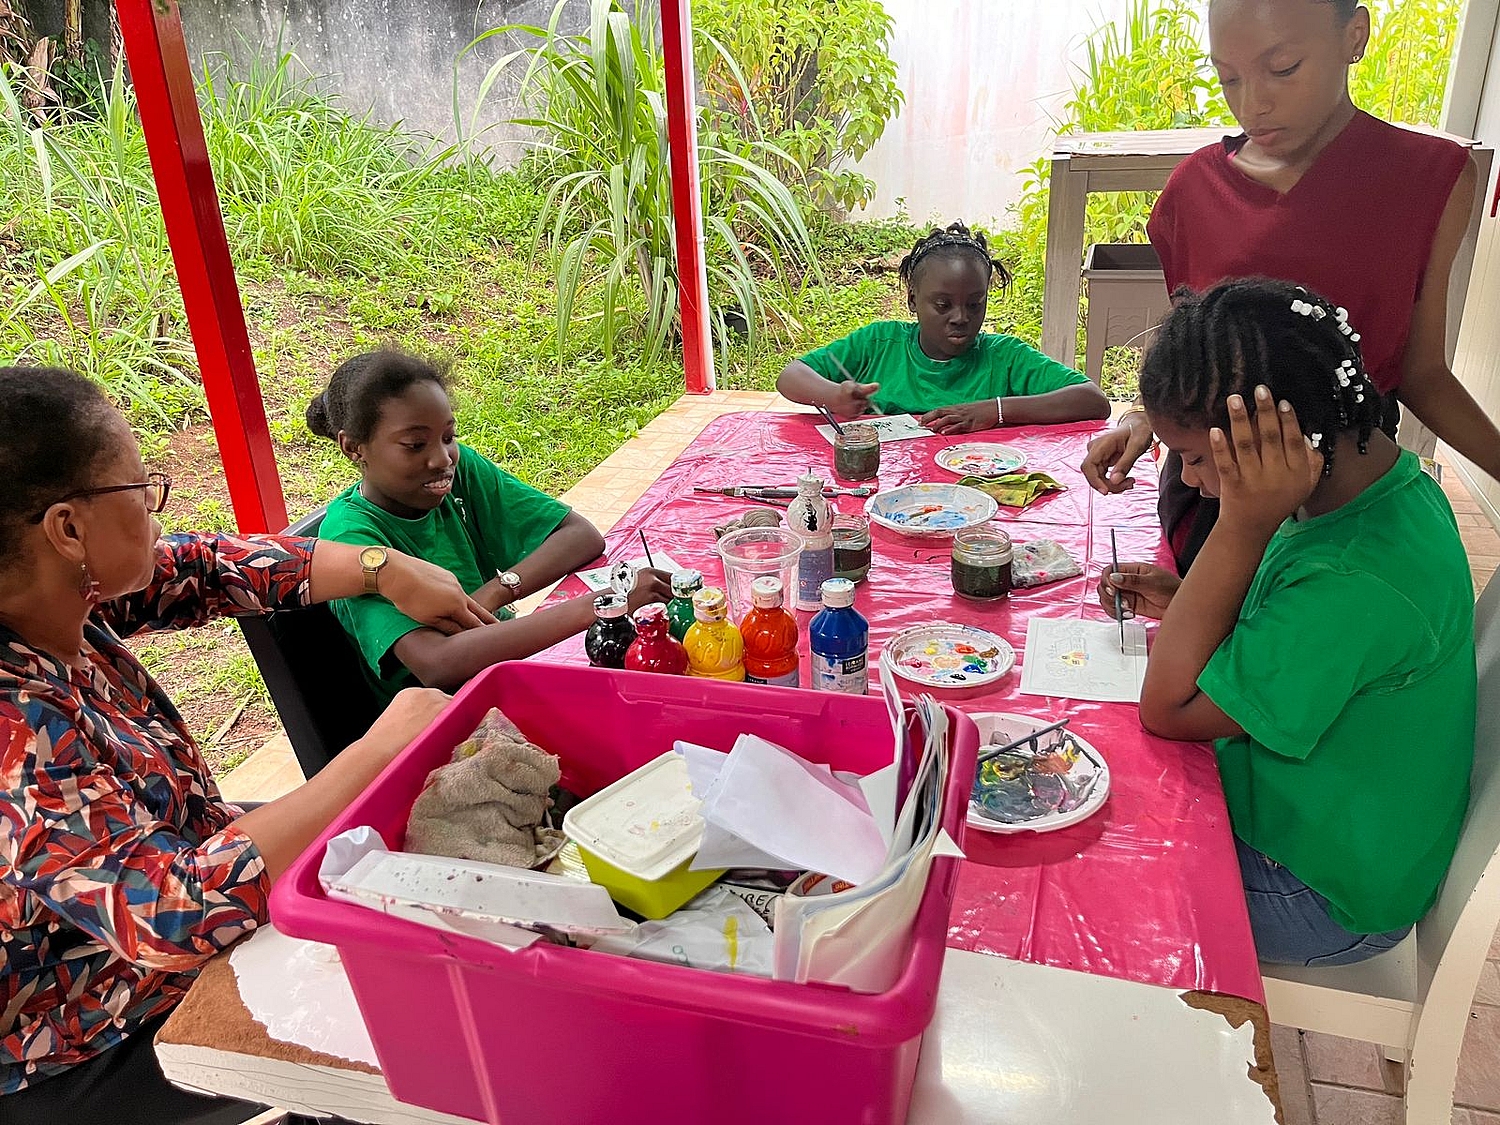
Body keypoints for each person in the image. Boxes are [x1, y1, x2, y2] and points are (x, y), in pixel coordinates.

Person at [0, 366, 495, 1123]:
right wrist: (376, 750)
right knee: (413, 1020)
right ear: (68, 530)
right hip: (92, 1028)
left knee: (393, 864)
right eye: (139, 489)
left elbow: (203, 569)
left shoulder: (52, 601)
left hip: (188, 857)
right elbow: (169, 912)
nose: (158, 510)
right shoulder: (14, 727)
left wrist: (382, 566)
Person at [1099, 279, 1475, 966]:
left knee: (1096, 860)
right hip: (1322, 820)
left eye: (1193, 458)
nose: (1191, 481)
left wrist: (1241, 524)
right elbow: (1301, 628)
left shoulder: (1354, 577)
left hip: (1319, 891)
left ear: (1274, 440)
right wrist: (1188, 598)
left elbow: (1168, 708)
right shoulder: (1385, 488)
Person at [1081, 0, 1500, 573]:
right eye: (1229, 77)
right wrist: (1143, 416)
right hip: (1217, 491)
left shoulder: (1432, 178)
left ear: (1354, 36)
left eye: (1283, 69)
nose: (1252, 104)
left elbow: (1420, 372)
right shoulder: (1196, 189)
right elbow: (1192, 359)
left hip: (1345, 493)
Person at [307, 350, 670, 700]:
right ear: (353, 448)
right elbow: (437, 664)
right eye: (415, 445)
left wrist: (495, 592)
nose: (441, 458)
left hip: (505, 672)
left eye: (448, 437)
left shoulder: (457, 472)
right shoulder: (352, 541)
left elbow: (580, 536)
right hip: (449, 712)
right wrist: (603, 605)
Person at [777, 222, 1110, 434]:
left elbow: (1093, 400)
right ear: (912, 300)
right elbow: (790, 376)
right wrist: (833, 395)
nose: (960, 317)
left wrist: (994, 410)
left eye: (975, 304)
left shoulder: (1004, 358)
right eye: (942, 304)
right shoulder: (878, 344)